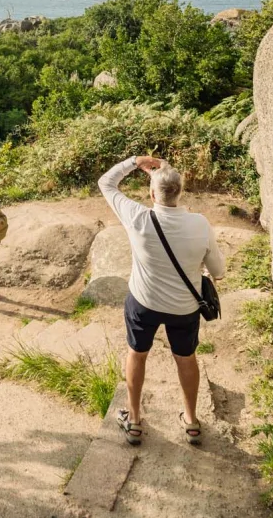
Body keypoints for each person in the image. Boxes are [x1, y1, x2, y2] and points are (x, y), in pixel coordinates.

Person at [98, 155, 225, 446]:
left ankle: (134, 421)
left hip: (144, 303)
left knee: (136, 354)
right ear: (181, 192)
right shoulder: (199, 224)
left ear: (152, 194)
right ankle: (191, 422)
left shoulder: (138, 217)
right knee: (186, 358)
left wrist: (135, 161)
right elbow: (218, 271)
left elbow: (106, 182)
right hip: (184, 309)